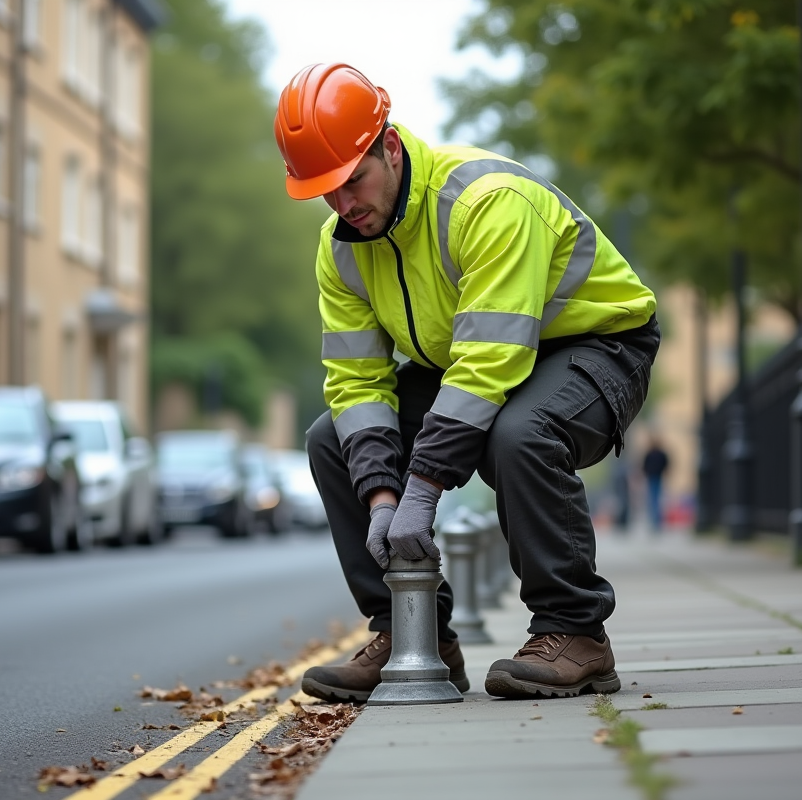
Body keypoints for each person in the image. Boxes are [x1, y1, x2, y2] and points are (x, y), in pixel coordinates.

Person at [273, 64, 659, 702]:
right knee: (330, 440)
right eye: (326, 192)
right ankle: (412, 634)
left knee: (520, 432)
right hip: (470, 361)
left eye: (352, 181)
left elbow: (491, 359)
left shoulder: (486, 201)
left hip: (597, 347)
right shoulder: (340, 247)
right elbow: (356, 378)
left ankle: (576, 632)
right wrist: (378, 495)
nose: (344, 206)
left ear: (390, 148)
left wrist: (420, 487)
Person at [642, 436, 671, 532]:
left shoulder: (651, 454)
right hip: (656, 477)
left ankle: (655, 521)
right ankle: (656, 521)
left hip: (654, 477)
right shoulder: (659, 454)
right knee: (656, 499)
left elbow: (644, 465)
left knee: (653, 499)